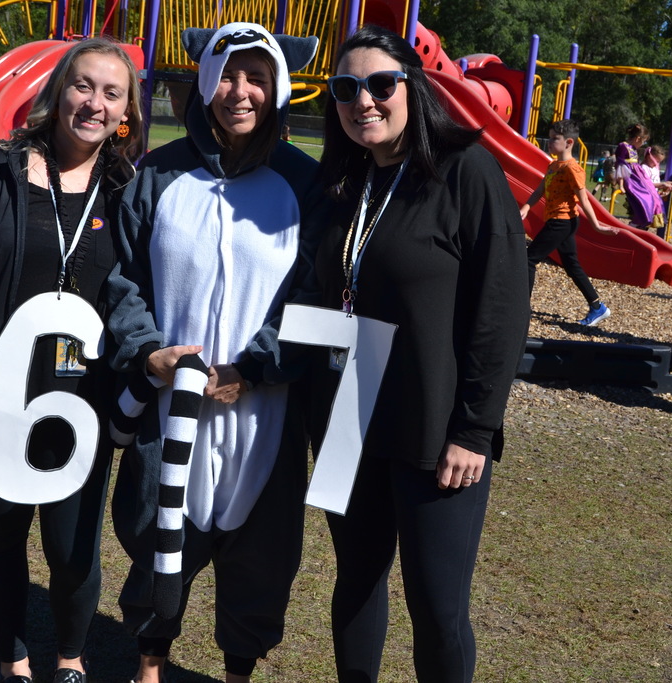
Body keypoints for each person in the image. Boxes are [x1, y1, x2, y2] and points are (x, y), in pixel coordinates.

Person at [0, 38, 142, 683]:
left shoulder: (127, 191)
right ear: (57, 92)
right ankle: (13, 661)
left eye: (110, 92)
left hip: (84, 404)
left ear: (126, 110)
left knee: (73, 547)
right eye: (82, 85)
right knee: (3, 533)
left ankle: (70, 658)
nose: (93, 103)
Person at [312, 24, 530, 682]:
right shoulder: (342, 180)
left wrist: (474, 427)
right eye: (347, 89)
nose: (364, 101)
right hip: (350, 411)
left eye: (381, 85)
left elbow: (502, 304)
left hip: (435, 422)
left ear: (415, 88)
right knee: (356, 581)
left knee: (436, 605)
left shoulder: (464, 168)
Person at [106, 23, 319, 683]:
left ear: (278, 87)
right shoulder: (157, 174)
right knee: (158, 542)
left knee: (260, 557)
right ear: (205, 79)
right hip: (171, 407)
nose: (241, 91)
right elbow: (123, 278)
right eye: (229, 74)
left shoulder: (305, 185)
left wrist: (256, 365)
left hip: (266, 415)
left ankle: (238, 671)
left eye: (257, 76)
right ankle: (149, 664)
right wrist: (148, 353)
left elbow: (313, 296)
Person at [521, 118, 620, 326]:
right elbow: (540, 190)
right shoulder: (553, 165)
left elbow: (584, 199)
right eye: (549, 138)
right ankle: (597, 307)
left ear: (569, 143)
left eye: (555, 139)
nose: (550, 142)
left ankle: (522, 310)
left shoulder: (572, 169)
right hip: (559, 221)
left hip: (562, 221)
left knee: (529, 259)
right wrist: (526, 207)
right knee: (571, 264)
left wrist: (597, 226)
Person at [614, 124, 664, 229]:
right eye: (644, 141)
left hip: (638, 177)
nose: (643, 144)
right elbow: (621, 166)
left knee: (653, 195)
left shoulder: (633, 148)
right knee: (644, 197)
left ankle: (643, 220)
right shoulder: (623, 146)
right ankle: (636, 222)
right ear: (638, 138)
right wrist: (621, 185)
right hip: (631, 179)